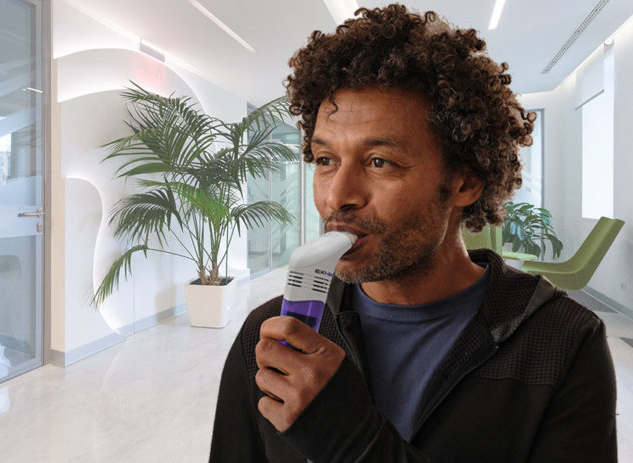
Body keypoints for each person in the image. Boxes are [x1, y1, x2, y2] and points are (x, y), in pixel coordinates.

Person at [209, 4, 617, 462]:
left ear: (464, 182)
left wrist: (350, 440)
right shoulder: (273, 336)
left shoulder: (562, 343)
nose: (337, 196)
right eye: (325, 161)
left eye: (379, 162)